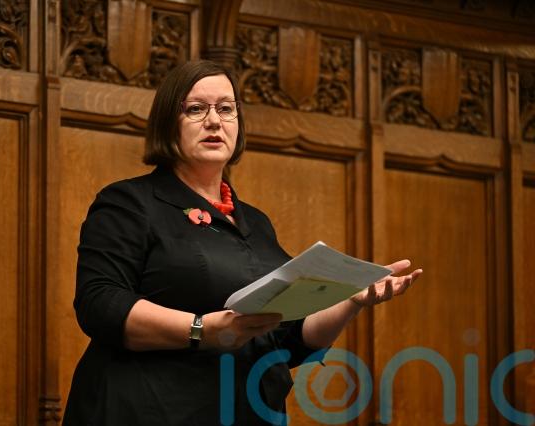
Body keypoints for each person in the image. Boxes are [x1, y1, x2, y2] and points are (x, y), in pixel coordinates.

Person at [62, 60, 422, 425]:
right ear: (168, 122)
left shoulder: (256, 222)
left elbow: (288, 337)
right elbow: (100, 304)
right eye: (196, 109)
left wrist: (350, 300)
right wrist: (203, 330)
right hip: (147, 411)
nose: (214, 121)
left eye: (226, 108)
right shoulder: (129, 202)